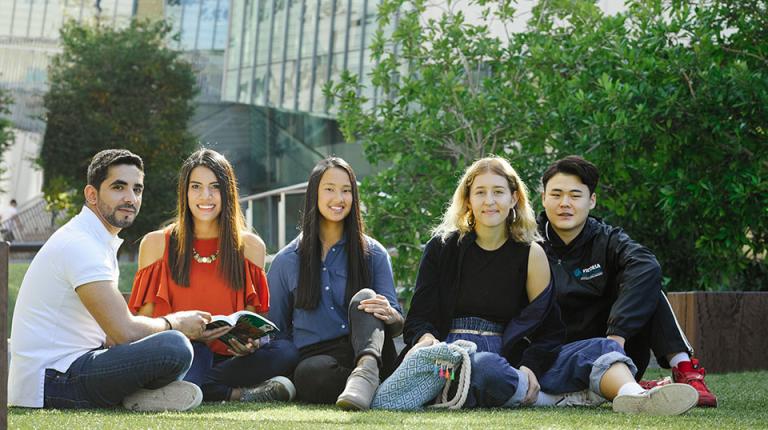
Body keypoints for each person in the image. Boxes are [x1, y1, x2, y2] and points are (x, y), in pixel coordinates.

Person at [402, 156, 698, 415]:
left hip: (522, 354)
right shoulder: (443, 248)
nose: (489, 201)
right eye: (480, 192)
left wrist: (533, 365)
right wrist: (425, 339)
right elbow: (418, 317)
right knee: (485, 367)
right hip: (459, 357)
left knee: (602, 346)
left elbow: (548, 327)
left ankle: (636, 396)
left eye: (498, 192)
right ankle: (549, 399)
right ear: (468, 199)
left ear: (514, 198)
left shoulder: (530, 250)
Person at [9, 149, 210, 411]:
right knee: (175, 346)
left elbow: (111, 334)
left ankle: (135, 396)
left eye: (137, 189)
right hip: (52, 381)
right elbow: (124, 332)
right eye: (118, 187)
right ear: (92, 195)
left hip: (73, 367)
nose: (130, 198)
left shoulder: (96, 239)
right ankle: (135, 395)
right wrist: (175, 322)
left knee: (190, 348)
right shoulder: (80, 244)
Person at [538, 155, 718, 407]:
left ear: (591, 201)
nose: (564, 203)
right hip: (555, 355)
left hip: (617, 353)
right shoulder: (528, 243)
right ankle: (636, 388)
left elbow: (646, 265)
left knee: (645, 278)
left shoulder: (607, 239)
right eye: (556, 195)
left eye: (575, 195)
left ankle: (685, 369)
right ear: (543, 198)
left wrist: (616, 337)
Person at [129, 148, 299, 403]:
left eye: (214, 187)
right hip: (182, 352)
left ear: (227, 192)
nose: (205, 196)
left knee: (285, 351)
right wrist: (186, 331)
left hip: (232, 361)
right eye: (196, 187)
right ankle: (239, 394)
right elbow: (142, 326)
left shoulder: (251, 246)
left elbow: (252, 322)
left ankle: (194, 389)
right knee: (195, 355)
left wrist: (249, 344)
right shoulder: (157, 243)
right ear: (184, 193)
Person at [267, 157, 404, 410]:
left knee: (364, 297)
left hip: (372, 348)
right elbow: (277, 332)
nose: (339, 198)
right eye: (329, 189)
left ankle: (367, 372)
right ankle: (382, 389)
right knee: (309, 374)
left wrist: (390, 313)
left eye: (346, 190)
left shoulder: (373, 253)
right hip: (320, 360)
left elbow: (396, 326)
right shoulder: (286, 261)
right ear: (314, 194)